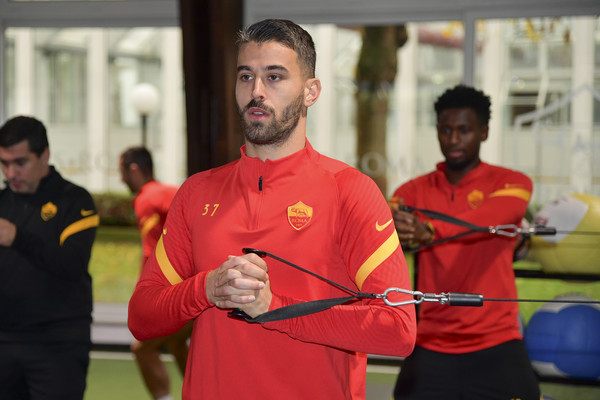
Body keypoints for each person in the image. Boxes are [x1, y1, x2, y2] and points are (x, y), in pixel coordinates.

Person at [128, 19, 416, 399]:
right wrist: (206, 288)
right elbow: (142, 317)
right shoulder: (197, 192)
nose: (256, 91)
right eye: (246, 76)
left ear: (311, 91)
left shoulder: (349, 191)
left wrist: (275, 309)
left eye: (274, 77)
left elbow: (397, 329)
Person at [390, 85, 540, 400]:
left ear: (483, 132)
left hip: (497, 341)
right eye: (445, 130)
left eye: (464, 130)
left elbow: (488, 218)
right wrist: (399, 232)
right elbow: (388, 235)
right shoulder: (410, 193)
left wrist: (430, 230)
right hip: (431, 342)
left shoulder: (512, 183)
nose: (454, 139)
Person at [0, 115, 99, 399]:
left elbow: (72, 264)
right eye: (4, 163)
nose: (11, 173)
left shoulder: (75, 201)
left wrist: (17, 238)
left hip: (58, 343)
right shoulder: (2, 202)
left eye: (20, 163)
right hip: (4, 339)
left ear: (44, 155)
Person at [119, 146, 192, 400]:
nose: (121, 179)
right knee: (176, 343)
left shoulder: (147, 198)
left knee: (142, 348)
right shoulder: (166, 192)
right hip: (196, 287)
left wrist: (144, 294)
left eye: (122, 172)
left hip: (185, 292)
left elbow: (153, 253)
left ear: (134, 169)